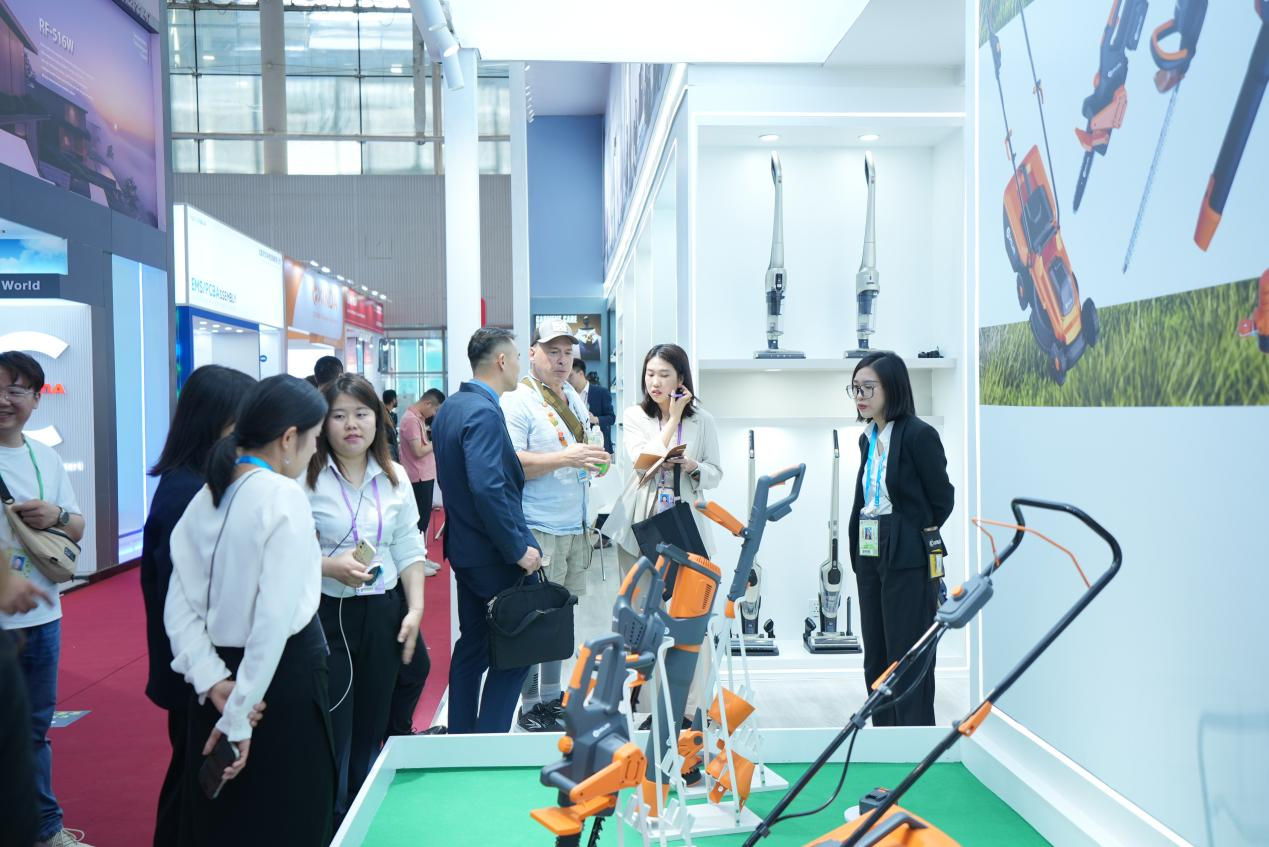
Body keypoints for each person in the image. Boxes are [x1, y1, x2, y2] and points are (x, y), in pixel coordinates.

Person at [164, 375, 334, 845]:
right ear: (288, 439)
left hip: (218, 685)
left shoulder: (205, 496)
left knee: (220, 823)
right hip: (277, 681)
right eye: (315, 439)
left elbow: (179, 611)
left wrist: (213, 681)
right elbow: (272, 620)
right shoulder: (283, 496)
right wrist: (240, 712)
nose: (314, 451)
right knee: (289, 816)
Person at [305, 374, 428, 825]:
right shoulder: (306, 477)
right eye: (339, 415)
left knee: (372, 720)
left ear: (378, 419)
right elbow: (284, 552)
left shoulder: (394, 477)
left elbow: (409, 547)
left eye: (361, 414)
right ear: (323, 423)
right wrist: (328, 566)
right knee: (335, 722)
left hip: (383, 609)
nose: (351, 425)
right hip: (328, 614)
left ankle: (361, 808)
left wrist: (415, 608)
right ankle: (330, 818)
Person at [140, 364, 255, 847]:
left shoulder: (196, 482)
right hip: (199, 670)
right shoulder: (188, 493)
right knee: (197, 779)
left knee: (197, 775)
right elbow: (186, 599)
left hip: (201, 668)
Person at [431, 328, 542, 734]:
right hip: (493, 555)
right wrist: (517, 549)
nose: (520, 365)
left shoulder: (452, 407)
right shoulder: (483, 412)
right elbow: (488, 487)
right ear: (501, 361)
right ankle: (489, 739)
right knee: (517, 649)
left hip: (465, 551)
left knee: (473, 645)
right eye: (518, 357)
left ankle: (462, 736)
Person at [0, 351, 90, 847]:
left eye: (15, 390)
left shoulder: (44, 457)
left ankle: (44, 829)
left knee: (34, 730)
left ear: (36, 399)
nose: (3, 400)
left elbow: (77, 525)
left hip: (42, 616)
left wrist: (54, 515)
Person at [502, 320, 609, 732]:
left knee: (561, 620)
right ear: (532, 353)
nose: (561, 360)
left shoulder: (574, 398)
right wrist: (567, 458)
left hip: (575, 525)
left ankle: (551, 698)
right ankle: (529, 705)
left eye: (567, 352)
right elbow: (513, 463)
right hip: (539, 526)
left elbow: (585, 447)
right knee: (536, 621)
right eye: (552, 351)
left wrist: (596, 460)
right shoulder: (519, 401)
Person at [846, 351, 953, 727]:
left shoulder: (919, 435)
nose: (860, 396)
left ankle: (913, 740)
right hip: (870, 548)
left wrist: (908, 534)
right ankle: (884, 738)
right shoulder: (868, 438)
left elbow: (942, 499)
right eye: (855, 388)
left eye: (868, 387)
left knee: (907, 655)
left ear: (892, 388)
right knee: (876, 656)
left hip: (906, 553)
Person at [604, 344, 723, 576]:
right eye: (650, 374)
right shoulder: (634, 415)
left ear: (681, 379)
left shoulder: (703, 421)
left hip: (683, 518)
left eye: (664, 375)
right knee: (639, 594)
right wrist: (674, 419)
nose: (655, 383)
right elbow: (643, 463)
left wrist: (693, 467)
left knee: (684, 593)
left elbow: (715, 473)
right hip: (640, 517)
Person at [398, 388, 446, 576]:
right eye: (434, 410)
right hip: (417, 477)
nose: (434, 414)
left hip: (423, 475)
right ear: (428, 403)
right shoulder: (411, 420)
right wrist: (437, 441)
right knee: (419, 523)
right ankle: (417, 562)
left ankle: (422, 558)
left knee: (423, 521)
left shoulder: (417, 418)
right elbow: (418, 451)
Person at [570, 360, 615, 454]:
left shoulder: (601, 392)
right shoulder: (568, 394)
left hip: (598, 447)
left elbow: (611, 418)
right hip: (576, 449)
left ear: (581, 373)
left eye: (571, 375)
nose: (567, 379)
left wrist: (595, 419)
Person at [382, 389, 400, 462]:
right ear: (393, 400)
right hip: (388, 451)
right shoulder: (383, 415)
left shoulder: (391, 415)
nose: (397, 400)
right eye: (396, 398)